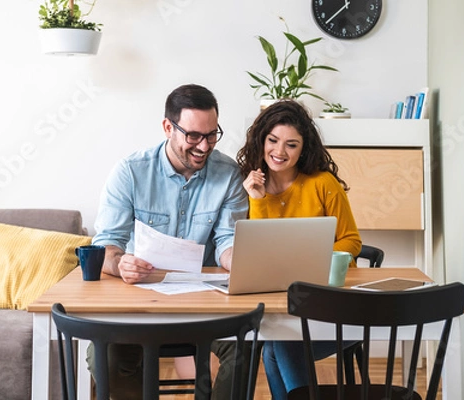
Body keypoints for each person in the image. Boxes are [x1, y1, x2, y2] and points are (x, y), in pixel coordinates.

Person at [89, 84, 251, 399]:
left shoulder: (229, 173)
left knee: (247, 346)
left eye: (212, 135)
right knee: (105, 357)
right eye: (193, 136)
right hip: (140, 303)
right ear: (168, 127)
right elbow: (107, 245)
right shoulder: (130, 172)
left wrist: (237, 260)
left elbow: (229, 239)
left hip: (205, 304)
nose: (204, 146)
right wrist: (121, 264)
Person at [236, 99, 362, 399]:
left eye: (291, 145)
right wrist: (257, 198)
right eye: (273, 141)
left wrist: (314, 261)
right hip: (284, 305)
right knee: (276, 346)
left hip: (330, 304)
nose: (280, 152)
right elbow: (260, 250)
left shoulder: (322, 183)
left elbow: (351, 240)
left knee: (281, 344)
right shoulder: (251, 186)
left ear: (303, 148)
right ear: (261, 140)